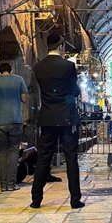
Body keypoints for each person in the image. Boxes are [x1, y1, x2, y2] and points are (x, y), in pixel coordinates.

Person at [30, 33, 85, 209]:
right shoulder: (68, 66)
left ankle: (36, 200)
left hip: (47, 118)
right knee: (71, 159)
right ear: (61, 46)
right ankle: (75, 200)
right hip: (67, 119)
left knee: (43, 159)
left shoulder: (38, 67)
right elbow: (74, 89)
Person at [0, 62, 28, 192]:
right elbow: (24, 99)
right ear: (10, 70)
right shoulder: (19, 80)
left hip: (0, 122)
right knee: (13, 152)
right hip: (15, 120)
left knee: (1, 152)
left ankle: (3, 185)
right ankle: (11, 184)